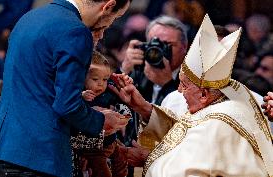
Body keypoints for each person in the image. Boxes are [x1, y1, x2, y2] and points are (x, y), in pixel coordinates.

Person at [110, 14, 273, 177]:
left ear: (203, 93)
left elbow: (184, 172)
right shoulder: (230, 93)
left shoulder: (216, 124)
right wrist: (144, 108)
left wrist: (149, 159)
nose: (179, 90)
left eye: (184, 85)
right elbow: (184, 128)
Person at [0, 0, 131, 176]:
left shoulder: (29, 17)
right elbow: (67, 105)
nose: (104, 32)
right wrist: (101, 121)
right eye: (116, 17)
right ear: (108, 6)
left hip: (1, 149)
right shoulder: (76, 31)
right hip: (41, 158)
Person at [71, 50, 132, 177]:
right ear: (81, 77)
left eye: (105, 79)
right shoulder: (76, 96)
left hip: (112, 141)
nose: (100, 84)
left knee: (122, 163)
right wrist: (81, 96)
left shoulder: (108, 93)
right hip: (94, 149)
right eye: (95, 79)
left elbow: (121, 103)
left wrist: (124, 86)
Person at [121, 15, 188, 105]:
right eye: (154, 44)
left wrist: (167, 84)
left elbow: (184, 113)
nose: (158, 49)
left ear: (184, 46)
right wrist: (124, 70)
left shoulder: (194, 78)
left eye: (167, 44)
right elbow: (109, 101)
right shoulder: (139, 70)